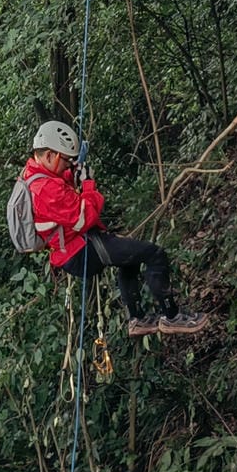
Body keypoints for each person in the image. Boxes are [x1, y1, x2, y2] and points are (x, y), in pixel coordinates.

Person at [22, 119, 206, 336]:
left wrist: (73, 172)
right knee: (154, 254)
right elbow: (85, 217)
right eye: (65, 161)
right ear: (50, 155)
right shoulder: (44, 189)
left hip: (75, 248)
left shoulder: (35, 175)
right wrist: (89, 184)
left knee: (129, 260)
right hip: (81, 251)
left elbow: (61, 191)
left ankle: (137, 319)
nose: (67, 166)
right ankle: (173, 316)